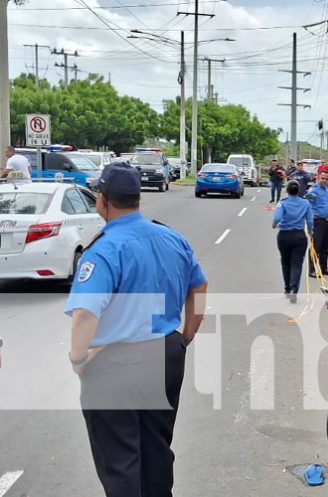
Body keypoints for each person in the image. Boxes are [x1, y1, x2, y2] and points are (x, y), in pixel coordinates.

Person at [65, 163, 208, 497]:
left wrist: (78, 359)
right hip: (166, 353)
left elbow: (85, 314)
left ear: (102, 200)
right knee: (157, 450)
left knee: (120, 461)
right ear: (138, 197)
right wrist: (184, 337)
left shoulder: (104, 249)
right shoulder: (173, 238)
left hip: (115, 363)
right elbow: (199, 288)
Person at [272, 180, 314, 303]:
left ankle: (287, 287)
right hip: (299, 236)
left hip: (284, 235)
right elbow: (310, 220)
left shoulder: (283, 203)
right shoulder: (305, 203)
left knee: (285, 262)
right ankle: (294, 289)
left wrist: (274, 224)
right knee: (297, 263)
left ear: (287, 190)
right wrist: (310, 231)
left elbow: (277, 217)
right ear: (298, 190)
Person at [306, 171, 328, 277]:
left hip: (327, 222)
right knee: (315, 247)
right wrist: (310, 196)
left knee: (325, 247)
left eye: (326, 179)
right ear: (318, 178)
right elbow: (309, 198)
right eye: (322, 178)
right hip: (317, 221)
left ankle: (324, 268)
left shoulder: (327, 191)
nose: (324, 180)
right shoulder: (314, 190)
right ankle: (312, 270)